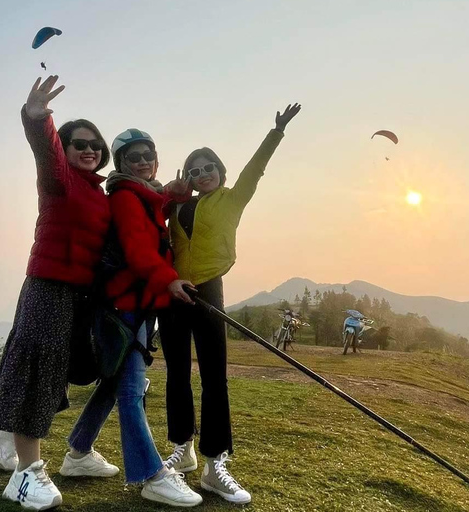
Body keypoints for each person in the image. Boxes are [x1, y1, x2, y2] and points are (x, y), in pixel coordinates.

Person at [0, 76, 115, 511]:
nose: (89, 149)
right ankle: (26, 475)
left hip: (81, 296)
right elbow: (48, 153)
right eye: (79, 143)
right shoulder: (59, 180)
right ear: (66, 147)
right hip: (47, 287)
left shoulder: (100, 193)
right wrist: (38, 119)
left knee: (62, 370)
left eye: (95, 143)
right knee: (39, 369)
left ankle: (6, 428)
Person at [159, 103, 301, 504]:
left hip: (208, 291)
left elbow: (255, 169)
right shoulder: (177, 205)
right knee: (176, 375)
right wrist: (169, 192)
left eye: (208, 168)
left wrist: (276, 132)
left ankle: (214, 463)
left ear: (220, 170)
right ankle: (181, 449)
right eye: (194, 170)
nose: (201, 174)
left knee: (214, 378)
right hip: (172, 291)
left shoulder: (232, 198)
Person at [61, 129, 202, 507]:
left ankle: (78, 452)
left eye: (147, 155)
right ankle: (151, 475)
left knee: (113, 383)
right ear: (122, 163)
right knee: (130, 388)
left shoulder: (145, 194)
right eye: (133, 156)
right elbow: (139, 253)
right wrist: (171, 281)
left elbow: (160, 200)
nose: (141, 161)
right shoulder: (125, 197)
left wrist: (175, 192)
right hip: (126, 304)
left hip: (133, 302)